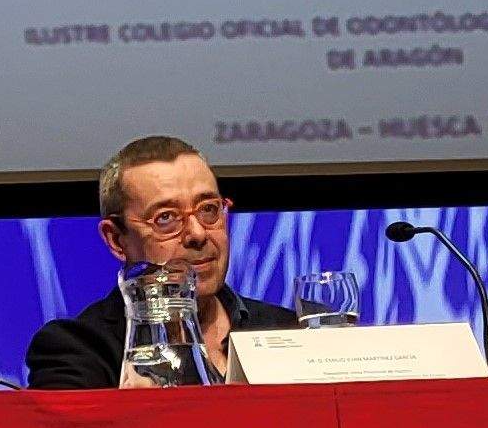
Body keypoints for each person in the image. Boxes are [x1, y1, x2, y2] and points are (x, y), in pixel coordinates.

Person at [26, 135, 298, 388]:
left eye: (209, 210)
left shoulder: (292, 331)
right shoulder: (79, 351)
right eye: (166, 218)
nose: (198, 233)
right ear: (117, 240)